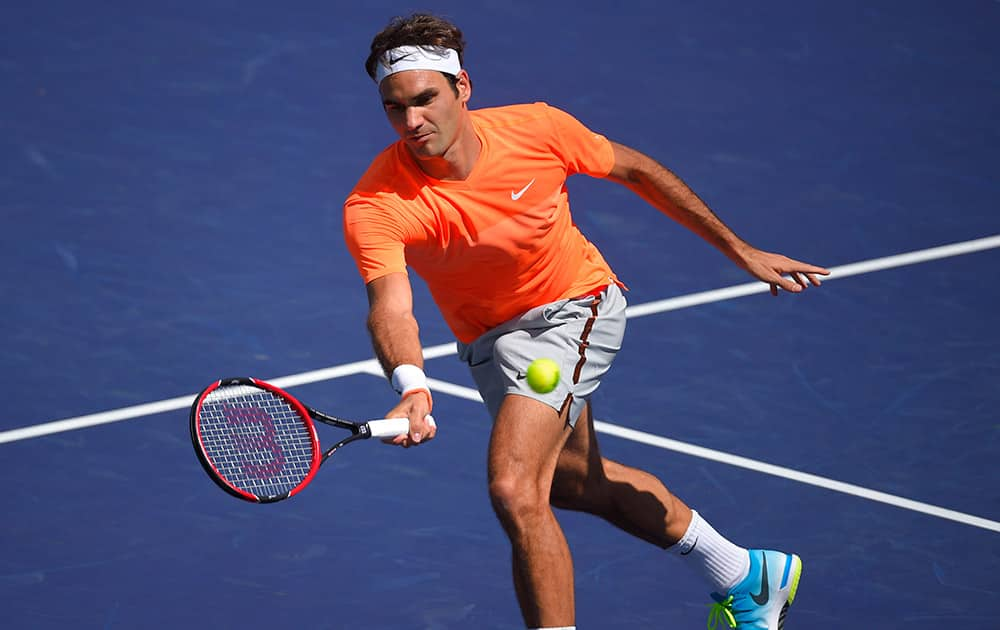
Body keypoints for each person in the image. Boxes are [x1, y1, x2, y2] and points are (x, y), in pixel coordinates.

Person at [343, 13, 829, 630]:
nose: (411, 122)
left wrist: (741, 250)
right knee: (569, 483)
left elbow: (637, 170)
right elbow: (391, 306)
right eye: (394, 108)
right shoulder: (376, 204)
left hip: (574, 307)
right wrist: (411, 384)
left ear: (462, 87)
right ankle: (746, 576)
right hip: (491, 339)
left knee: (516, 489)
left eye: (424, 100)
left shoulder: (537, 129)